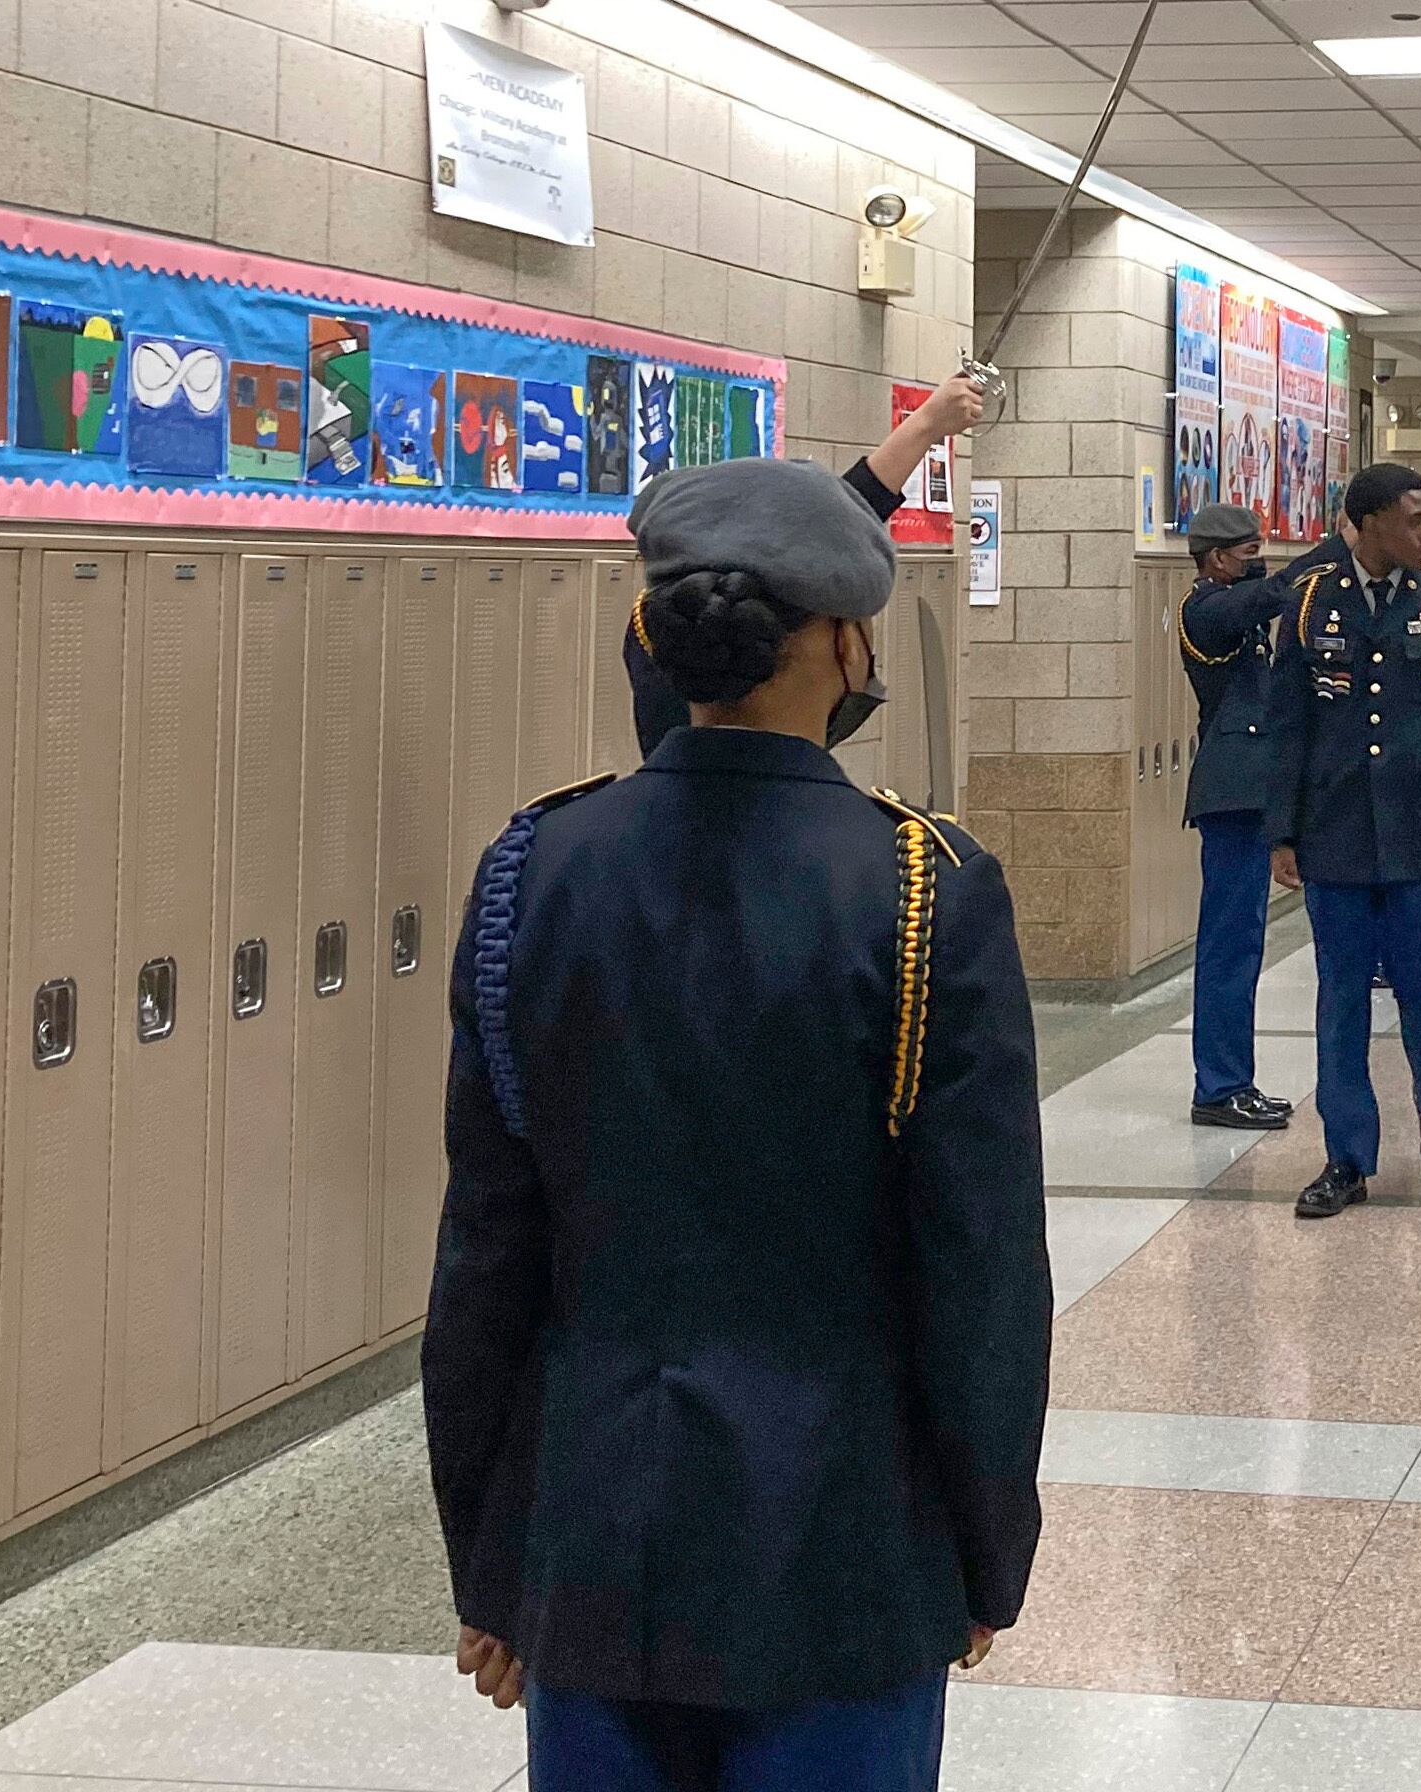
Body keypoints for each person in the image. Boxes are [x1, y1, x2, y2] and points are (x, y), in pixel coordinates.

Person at [425, 457, 1053, 1786]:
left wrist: (490, 1561)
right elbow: (980, 1263)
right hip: (847, 1543)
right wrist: (987, 1547)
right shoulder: (924, 886)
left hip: (591, 1530)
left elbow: (488, 1246)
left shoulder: (535, 864)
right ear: (842, 643)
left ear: (654, 638)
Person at [1262, 463, 1421, 1219]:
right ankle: (1347, 1158)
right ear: (1361, 526)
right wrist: (1282, 832)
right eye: (1409, 520)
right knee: (1340, 1003)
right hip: (1336, 834)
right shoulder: (1309, 605)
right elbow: (1287, 726)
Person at [625, 370, 985, 757]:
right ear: (845, 643)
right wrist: (925, 424)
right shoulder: (862, 819)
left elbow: (835, 519)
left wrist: (925, 424)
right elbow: (831, 525)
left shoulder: (664, 623)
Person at [1176, 502, 1297, 1131]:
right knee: (1229, 943)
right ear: (1219, 559)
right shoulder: (1206, 607)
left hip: (1251, 790)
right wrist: (1338, 549)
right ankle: (1219, 1086)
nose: (1262, 563)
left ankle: (1232, 1078)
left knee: (1243, 941)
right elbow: (1263, 599)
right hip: (1231, 793)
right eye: (1251, 553)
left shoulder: (1233, 600)